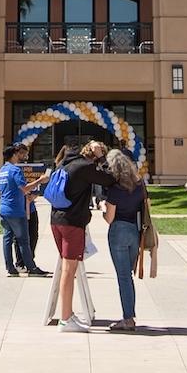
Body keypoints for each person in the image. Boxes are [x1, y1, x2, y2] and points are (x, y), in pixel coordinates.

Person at [50, 139, 105, 333]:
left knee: (67, 268)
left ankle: (68, 314)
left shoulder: (65, 165)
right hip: (72, 223)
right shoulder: (84, 167)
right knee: (69, 270)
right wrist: (101, 157)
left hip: (56, 220)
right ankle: (66, 319)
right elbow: (109, 178)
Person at [100, 149, 150, 333]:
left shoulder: (115, 189)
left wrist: (102, 207)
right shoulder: (140, 185)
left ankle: (128, 318)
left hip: (118, 231)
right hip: (134, 232)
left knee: (123, 277)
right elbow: (146, 206)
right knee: (127, 276)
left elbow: (109, 218)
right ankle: (130, 315)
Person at [0, 144, 45, 276]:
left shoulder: (2, 171)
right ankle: (31, 267)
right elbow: (24, 188)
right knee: (23, 240)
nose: (20, 156)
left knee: (7, 239)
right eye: (17, 154)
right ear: (13, 155)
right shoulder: (14, 170)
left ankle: (10, 268)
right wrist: (40, 180)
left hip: (4, 209)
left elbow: (0, 191)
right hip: (16, 210)